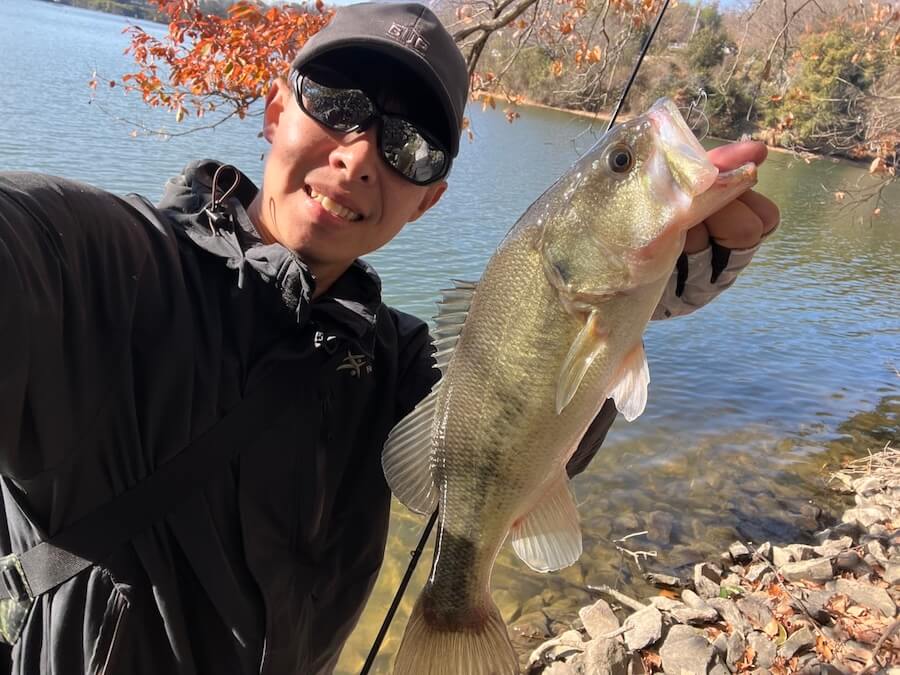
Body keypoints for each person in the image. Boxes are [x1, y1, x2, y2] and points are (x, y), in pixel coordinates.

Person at [0, 2, 779, 673]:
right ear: (275, 111)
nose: (360, 154)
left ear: (429, 201)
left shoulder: (399, 360)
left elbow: (536, 440)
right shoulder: (102, 264)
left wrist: (639, 310)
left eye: (409, 143)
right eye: (337, 102)